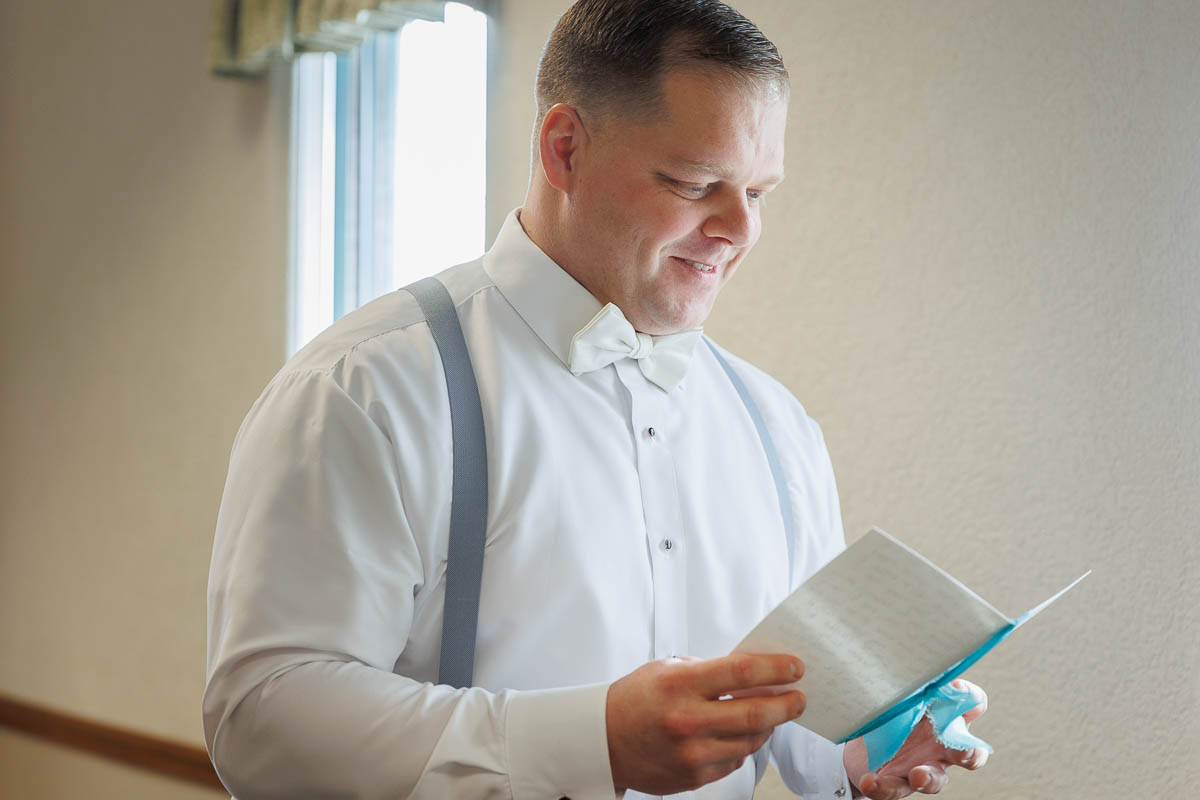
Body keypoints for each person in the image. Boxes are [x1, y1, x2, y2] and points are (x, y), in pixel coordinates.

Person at [203, 1, 990, 798]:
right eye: (694, 183)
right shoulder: (367, 390)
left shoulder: (778, 430)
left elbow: (793, 720)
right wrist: (592, 742)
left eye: (759, 191)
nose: (738, 227)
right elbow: (262, 718)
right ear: (564, 148)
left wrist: (861, 763)